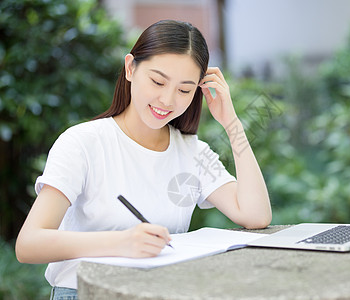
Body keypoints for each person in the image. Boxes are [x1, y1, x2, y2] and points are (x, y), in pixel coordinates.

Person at [15, 20, 271, 299]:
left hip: (158, 292)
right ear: (130, 68)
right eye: (157, 81)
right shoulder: (83, 143)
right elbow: (29, 244)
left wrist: (231, 122)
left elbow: (256, 216)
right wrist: (122, 242)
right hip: (84, 292)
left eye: (184, 90)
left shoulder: (192, 152)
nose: (167, 100)